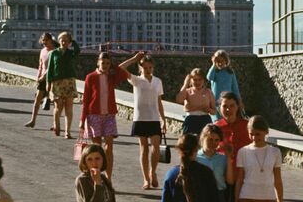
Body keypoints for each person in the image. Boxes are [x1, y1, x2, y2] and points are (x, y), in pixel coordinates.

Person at [119, 51, 165, 189]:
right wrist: (134, 58)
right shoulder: (136, 80)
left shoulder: (158, 81)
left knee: (155, 148)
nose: (148, 70)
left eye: (150, 67)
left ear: (153, 67)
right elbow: (120, 68)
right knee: (144, 148)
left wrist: (163, 119)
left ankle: (153, 172)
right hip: (140, 118)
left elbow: (159, 101)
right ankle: (146, 179)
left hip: (154, 118)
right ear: (141, 68)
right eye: (145, 67)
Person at [79, 50, 126, 167]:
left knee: (109, 147)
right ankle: (97, 175)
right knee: (97, 149)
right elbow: (86, 100)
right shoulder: (90, 77)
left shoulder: (111, 77)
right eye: (103, 63)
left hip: (109, 115)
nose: (105, 65)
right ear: (98, 63)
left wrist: (114, 66)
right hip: (94, 115)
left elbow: (123, 73)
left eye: (107, 63)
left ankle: (108, 178)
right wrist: (82, 119)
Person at [46, 31, 80, 137]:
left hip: (69, 82)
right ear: (59, 41)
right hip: (57, 82)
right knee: (58, 106)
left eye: (66, 40)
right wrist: (48, 82)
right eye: (62, 40)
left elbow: (78, 50)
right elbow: (50, 69)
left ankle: (67, 131)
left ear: (69, 42)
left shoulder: (71, 53)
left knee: (69, 107)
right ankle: (57, 125)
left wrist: (73, 41)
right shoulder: (53, 53)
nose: (64, 42)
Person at [25, 33, 56, 129]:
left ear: (51, 40)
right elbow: (40, 65)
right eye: (43, 40)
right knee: (37, 99)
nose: (45, 42)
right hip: (42, 79)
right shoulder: (42, 51)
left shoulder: (54, 51)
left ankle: (55, 124)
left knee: (55, 101)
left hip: (52, 78)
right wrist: (38, 76)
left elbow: (53, 66)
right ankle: (33, 120)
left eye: (47, 40)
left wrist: (44, 76)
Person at [172, 68, 214, 137]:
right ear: (191, 81)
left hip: (205, 119)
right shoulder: (187, 91)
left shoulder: (208, 92)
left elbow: (214, 111)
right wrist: (185, 84)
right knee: (188, 144)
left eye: (199, 79)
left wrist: (208, 110)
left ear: (203, 80)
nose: (197, 82)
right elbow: (179, 100)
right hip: (191, 120)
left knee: (204, 144)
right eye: (195, 80)